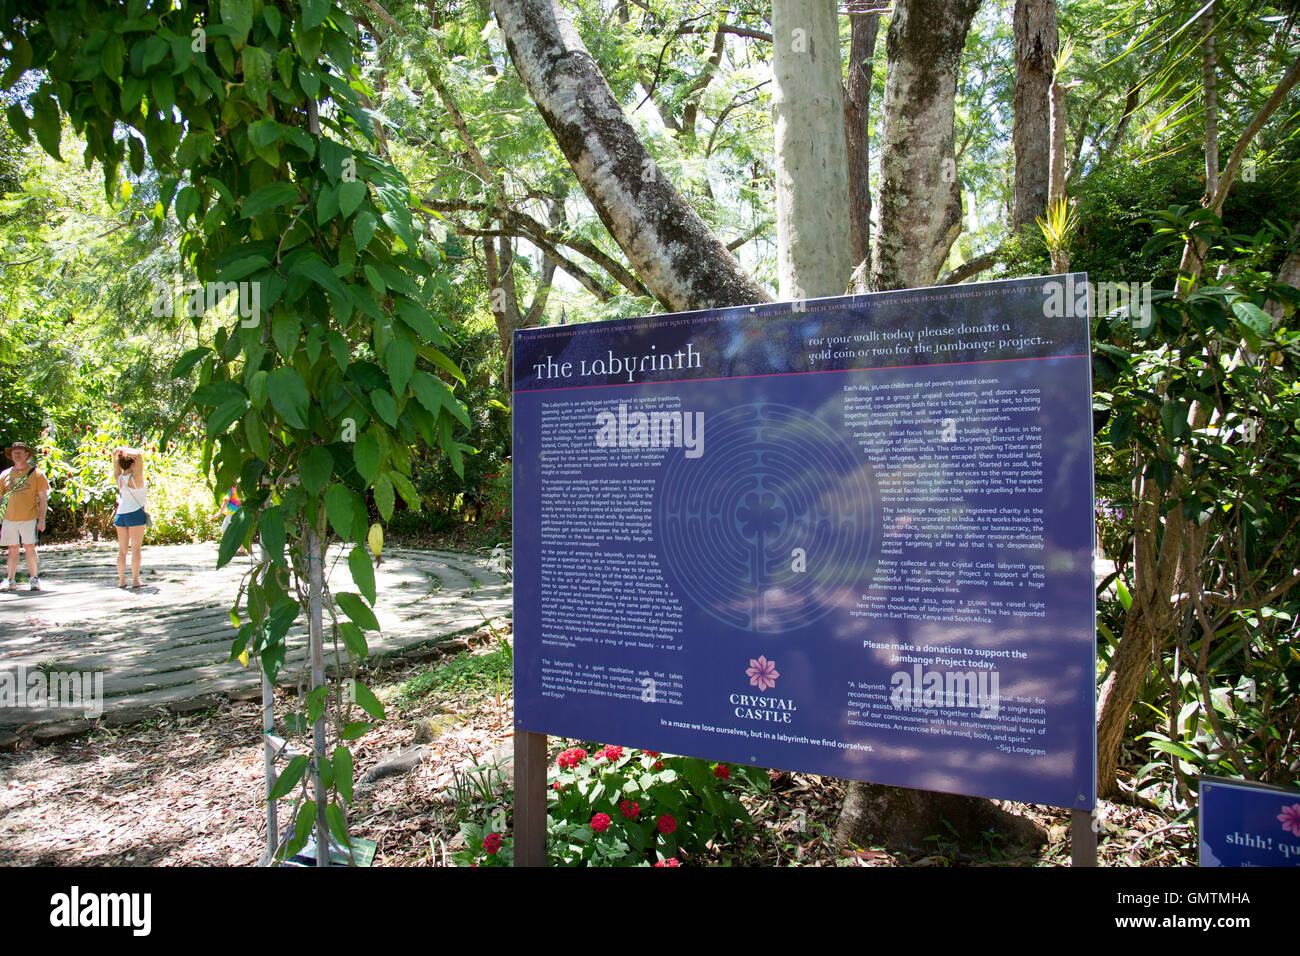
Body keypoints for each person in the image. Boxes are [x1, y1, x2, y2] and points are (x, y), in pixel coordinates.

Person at [0, 440, 49, 591]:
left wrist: (41, 520)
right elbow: (1, 499)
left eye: (21, 451)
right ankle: (10, 580)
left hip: (29, 517)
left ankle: (34, 579)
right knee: (12, 549)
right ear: (11, 455)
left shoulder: (37, 474)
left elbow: (42, 499)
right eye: (15, 452)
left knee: (30, 547)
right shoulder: (4, 474)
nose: (17, 454)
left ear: (27, 454)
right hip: (9, 519)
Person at [112, 446, 148, 588]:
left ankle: (121, 581)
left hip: (121, 514)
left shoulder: (119, 478)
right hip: (135, 512)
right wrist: (126, 453)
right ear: (133, 463)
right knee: (136, 549)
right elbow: (139, 456)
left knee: (122, 550)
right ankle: (135, 580)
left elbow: (116, 461)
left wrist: (119, 453)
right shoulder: (137, 478)